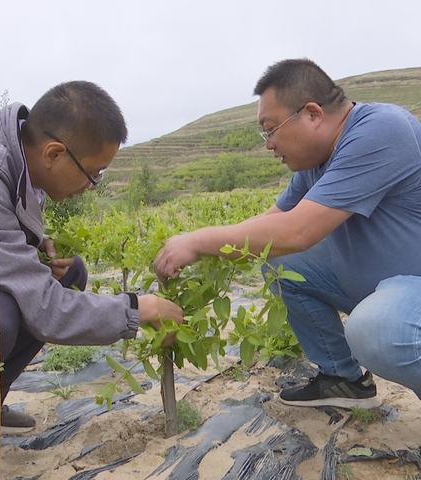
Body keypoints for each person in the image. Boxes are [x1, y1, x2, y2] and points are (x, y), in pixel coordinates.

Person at [155, 58, 421, 409]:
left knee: (375, 330)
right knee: (280, 260)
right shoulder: (317, 162)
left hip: (410, 291)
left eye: (270, 128)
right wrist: (201, 254)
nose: (268, 144)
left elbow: (298, 230)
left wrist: (197, 240)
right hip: (383, 285)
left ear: (312, 114)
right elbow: (271, 225)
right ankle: (343, 380)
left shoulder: (382, 130)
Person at [0, 81, 183, 433]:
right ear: (54, 153)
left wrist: (35, 242)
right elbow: (46, 310)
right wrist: (139, 308)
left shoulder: (19, 156)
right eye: (93, 174)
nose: (92, 186)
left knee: (68, 274)